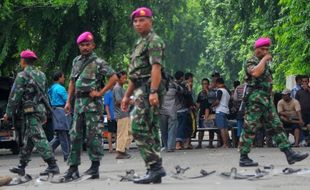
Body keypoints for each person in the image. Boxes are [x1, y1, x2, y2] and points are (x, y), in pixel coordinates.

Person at [239, 37, 308, 167]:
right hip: (255, 99)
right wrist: (265, 59)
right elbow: (255, 73)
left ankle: (289, 153)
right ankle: (243, 156)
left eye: (267, 49)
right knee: (250, 127)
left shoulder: (262, 62)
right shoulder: (251, 61)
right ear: (256, 49)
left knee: (277, 125)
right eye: (262, 49)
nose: (265, 52)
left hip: (266, 100)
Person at [62, 31, 118, 181]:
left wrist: (101, 92)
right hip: (78, 104)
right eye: (82, 45)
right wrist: (68, 101)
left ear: (93, 45)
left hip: (93, 104)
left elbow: (113, 77)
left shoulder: (99, 62)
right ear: (79, 46)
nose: (85, 47)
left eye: (88, 44)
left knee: (93, 136)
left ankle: (94, 167)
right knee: (74, 135)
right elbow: (72, 82)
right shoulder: (76, 61)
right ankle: (73, 168)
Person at [121, 7, 166, 184]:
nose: (138, 24)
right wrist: (126, 95)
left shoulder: (154, 41)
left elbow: (156, 68)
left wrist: (154, 91)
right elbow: (135, 74)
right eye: (135, 21)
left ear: (151, 21)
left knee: (137, 126)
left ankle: (155, 166)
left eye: (142, 20)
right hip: (140, 88)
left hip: (149, 88)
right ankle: (154, 170)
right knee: (150, 129)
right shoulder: (140, 43)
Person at [3, 50, 60, 176]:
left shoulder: (22, 76)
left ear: (23, 61)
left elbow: (15, 96)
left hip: (31, 111)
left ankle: (52, 165)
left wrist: (8, 113)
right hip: (40, 110)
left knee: (38, 137)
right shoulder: (41, 75)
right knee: (29, 138)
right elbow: (44, 94)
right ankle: (21, 166)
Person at [48, 71, 71, 162]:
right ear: (59, 78)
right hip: (61, 111)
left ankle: (48, 150)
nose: (64, 78)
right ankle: (67, 155)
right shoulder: (60, 88)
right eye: (63, 77)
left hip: (55, 111)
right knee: (63, 134)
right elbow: (67, 100)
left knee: (59, 135)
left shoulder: (51, 88)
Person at [113, 71, 132, 159]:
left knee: (129, 132)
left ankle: (124, 149)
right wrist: (128, 101)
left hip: (125, 113)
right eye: (123, 78)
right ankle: (120, 151)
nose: (125, 80)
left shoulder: (121, 88)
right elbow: (118, 101)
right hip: (121, 114)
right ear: (118, 79)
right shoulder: (117, 88)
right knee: (122, 133)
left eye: (126, 78)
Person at [159, 77, 179, 152]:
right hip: (172, 111)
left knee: (163, 130)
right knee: (172, 130)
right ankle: (170, 146)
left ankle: (166, 146)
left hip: (162, 112)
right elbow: (183, 92)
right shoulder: (175, 89)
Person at [212, 77, 230, 148]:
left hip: (220, 111)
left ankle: (225, 144)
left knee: (221, 128)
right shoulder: (226, 91)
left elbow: (217, 101)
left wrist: (212, 105)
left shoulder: (219, 91)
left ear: (217, 83)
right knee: (225, 128)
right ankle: (227, 143)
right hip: (225, 111)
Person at [196, 78, 213, 148]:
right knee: (201, 129)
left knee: (210, 129)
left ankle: (210, 143)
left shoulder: (211, 92)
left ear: (208, 84)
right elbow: (198, 103)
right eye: (203, 84)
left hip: (210, 112)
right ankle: (199, 144)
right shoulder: (200, 94)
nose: (204, 85)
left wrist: (207, 91)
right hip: (202, 112)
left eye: (206, 84)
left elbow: (212, 100)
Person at [295, 76, 310, 146]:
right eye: (303, 81)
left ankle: (308, 139)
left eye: (306, 81)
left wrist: (308, 90)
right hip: (302, 113)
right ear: (301, 82)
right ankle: (305, 140)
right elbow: (296, 102)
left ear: (308, 82)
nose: (304, 83)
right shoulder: (299, 92)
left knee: (309, 126)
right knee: (302, 126)